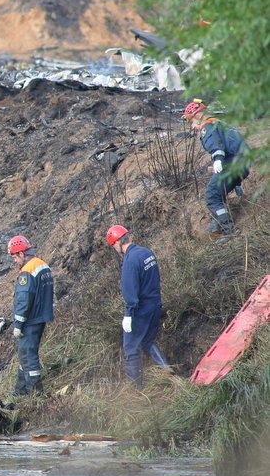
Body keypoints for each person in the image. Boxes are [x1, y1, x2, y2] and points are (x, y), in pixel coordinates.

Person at [105, 225, 170, 387]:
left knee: (130, 348)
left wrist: (128, 315)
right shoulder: (146, 252)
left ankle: (137, 390)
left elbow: (130, 292)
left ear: (118, 243)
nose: (114, 249)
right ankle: (167, 370)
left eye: (113, 246)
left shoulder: (130, 261)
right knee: (148, 341)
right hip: (155, 304)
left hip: (140, 311)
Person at [182, 98, 251, 235]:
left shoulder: (207, 127)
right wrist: (236, 180)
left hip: (232, 164)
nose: (192, 126)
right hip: (243, 163)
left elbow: (216, 146)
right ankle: (218, 222)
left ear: (198, 116)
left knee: (212, 196)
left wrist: (218, 160)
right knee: (219, 192)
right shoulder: (221, 123)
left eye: (191, 122)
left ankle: (228, 230)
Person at [7, 235, 54, 395]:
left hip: (30, 320)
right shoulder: (42, 265)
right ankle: (21, 391)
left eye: (14, 257)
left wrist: (18, 324)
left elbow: (24, 299)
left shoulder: (27, 272)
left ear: (21, 254)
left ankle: (35, 392)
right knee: (24, 353)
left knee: (28, 353)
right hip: (41, 316)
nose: (14, 261)